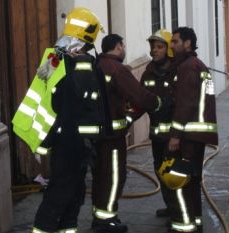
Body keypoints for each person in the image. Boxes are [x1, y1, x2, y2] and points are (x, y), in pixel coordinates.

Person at [12, 7, 109, 233]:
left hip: (69, 141)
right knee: (61, 194)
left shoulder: (57, 60)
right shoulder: (72, 65)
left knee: (73, 194)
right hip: (71, 143)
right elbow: (76, 105)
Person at [92, 34, 164, 233]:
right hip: (112, 137)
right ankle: (107, 220)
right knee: (114, 176)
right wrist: (158, 103)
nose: (124, 50)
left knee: (100, 176)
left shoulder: (97, 65)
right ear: (117, 47)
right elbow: (137, 94)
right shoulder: (116, 69)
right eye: (123, 46)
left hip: (96, 136)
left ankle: (99, 216)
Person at [163, 27, 219, 233]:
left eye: (175, 41)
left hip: (188, 134)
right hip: (198, 134)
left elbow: (185, 104)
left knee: (180, 181)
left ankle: (184, 226)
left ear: (188, 43)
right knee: (193, 180)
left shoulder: (187, 67)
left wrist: (175, 135)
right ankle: (195, 222)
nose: (172, 45)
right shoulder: (198, 65)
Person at [139, 29, 178, 220]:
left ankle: (180, 213)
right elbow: (140, 100)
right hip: (157, 137)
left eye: (159, 47)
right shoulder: (148, 73)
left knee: (175, 175)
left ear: (169, 50)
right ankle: (171, 207)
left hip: (174, 138)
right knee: (161, 172)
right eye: (153, 47)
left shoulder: (178, 72)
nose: (155, 50)